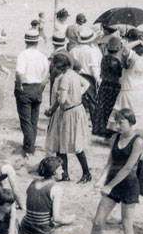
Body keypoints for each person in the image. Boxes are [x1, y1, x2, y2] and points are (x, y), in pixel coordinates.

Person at [84, 109, 143, 234]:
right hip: (112, 182)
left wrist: (109, 186)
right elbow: (110, 163)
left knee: (126, 223)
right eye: (116, 122)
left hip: (129, 184)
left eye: (121, 123)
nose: (117, 126)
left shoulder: (138, 142)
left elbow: (128, 168)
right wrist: (100, 181)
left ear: (131, 123)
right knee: (98, 221)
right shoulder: (114, 138)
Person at [44, 55, 92, 183]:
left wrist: (53, 105)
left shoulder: (64, 78)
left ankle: (83, 173)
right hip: (75, 110)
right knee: (65, 144)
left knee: (68, 144)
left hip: (69, 112)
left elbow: (61, 100)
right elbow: (86, 84)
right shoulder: (74, 74)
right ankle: (69, 174)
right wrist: (76, 94)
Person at [19, 156, 77, 234]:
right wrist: (69, 219)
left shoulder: (33, 182)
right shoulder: (55, 188)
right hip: (42, 231)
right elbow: (56, 218)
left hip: (26, 227)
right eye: (60, 168)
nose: (62, 171)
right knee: (74, 232)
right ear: (54, 172)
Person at [108, 29, 143, 134]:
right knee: (140, 117)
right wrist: (142, 41)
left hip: (129, 90)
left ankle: (124, 136)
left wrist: (137, 41)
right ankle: (138, 136)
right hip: (142, 92)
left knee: (124, 116)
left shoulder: (133, 58)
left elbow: (126, 48)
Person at [14, 30, 49, 157]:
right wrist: (42, 88)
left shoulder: (23, 55)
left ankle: (29, 148)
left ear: (25, 41)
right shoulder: (42, 56)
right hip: (37, 87)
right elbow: (46, 76)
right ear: (37, 41)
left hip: (26, 87)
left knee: (25, 120)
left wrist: (18, 86)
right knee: (33, 120)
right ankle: (29, 144)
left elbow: (19, 73)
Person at [69, 29, 102, 134]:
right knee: (92, 102)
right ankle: (95, 128)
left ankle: (75, 125)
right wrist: (98, 80)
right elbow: (94, 68)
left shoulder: (73, 50)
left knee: (76, 101)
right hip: (88, 78)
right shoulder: (91, 51)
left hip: (75, 76)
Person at [97, 36, 123, 138]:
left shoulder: (104, 58)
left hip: (104, 85)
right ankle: (108, 131)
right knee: (111, 109)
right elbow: (120, 74)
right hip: (113, 87)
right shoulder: (116, 62)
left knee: (103, 109)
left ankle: (101, 129)